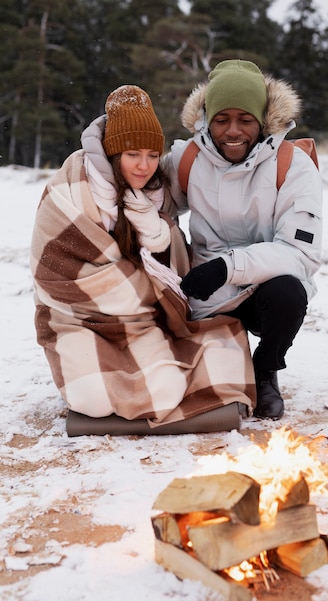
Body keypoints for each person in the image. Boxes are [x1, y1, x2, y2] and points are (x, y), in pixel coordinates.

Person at [30, 84, 255, 430]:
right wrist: (142, 286)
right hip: (76, 317)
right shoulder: (71, 187)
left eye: (153, 154)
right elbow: (57, 272)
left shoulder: (153, 194)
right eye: (133, 154)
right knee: (90, 397)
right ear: (113, 152)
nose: (144, 166)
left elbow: (168, 261)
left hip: (138, 321)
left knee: (163, 391)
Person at [165, 60, 323, 419]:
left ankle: (265, 369)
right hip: (203, 290)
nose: (232, 131)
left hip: (264, 289)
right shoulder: (187, 158)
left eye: (245, 120)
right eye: (222, 120)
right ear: (208, 119)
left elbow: (302, 254)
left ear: (263, 120)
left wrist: (228, 267)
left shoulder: (293, 165)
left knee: (289, 295)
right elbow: (148, 204)